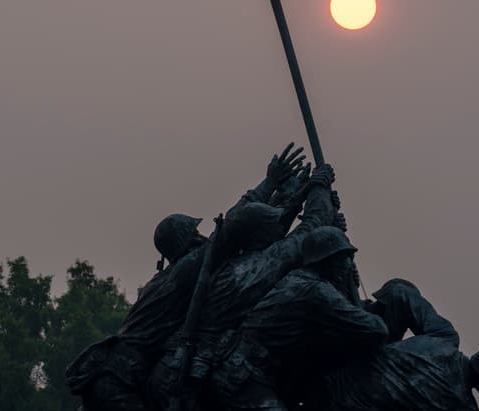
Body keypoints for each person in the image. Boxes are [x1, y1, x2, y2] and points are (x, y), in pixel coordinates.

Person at [66, 144, 307, 411]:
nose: (203, 235)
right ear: (189, 240)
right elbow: (231, 228)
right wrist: (270, 182)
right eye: (197, 233)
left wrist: (289, 197)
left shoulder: (169, 277)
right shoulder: (184, 273)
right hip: (118, 381)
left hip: (120, 376)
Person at [146, 163, 340, 411]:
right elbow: (309, 230)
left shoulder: (224, 265)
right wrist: (320, 187)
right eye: (274, 225)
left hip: (190, 369)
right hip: (216, 374)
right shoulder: (253, 269)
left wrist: (300, 190)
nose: (279, 228)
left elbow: (249, 221)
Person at [210, 226, 389, 410]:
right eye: (343, 258)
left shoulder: (297, 279)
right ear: (328, 261)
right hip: (243, 375)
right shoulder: (316, 291)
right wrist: (350, 289)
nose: (347, 264)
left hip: (245, 367)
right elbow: (375, 329)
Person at [310, 280, 479, 411]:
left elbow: (399, 291)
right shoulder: (462, 406)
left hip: (328, 384)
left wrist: (381, 332)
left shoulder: (444, 336)